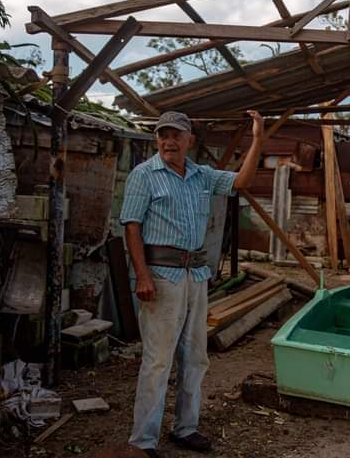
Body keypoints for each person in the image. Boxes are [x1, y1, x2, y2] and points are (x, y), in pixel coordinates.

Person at [120, 110, 264, 457]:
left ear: (189, 141)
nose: (168, 141)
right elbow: (131, 226)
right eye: (162, 135)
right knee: (158, 360)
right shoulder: (144, 176)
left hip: (195, 275)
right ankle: (144, 440)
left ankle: (185, 428)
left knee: (195, 356)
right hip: (161, 276)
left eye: (175, 135)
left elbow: (241, 182)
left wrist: (258, 139)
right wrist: (141, 275)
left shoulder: (202, 176)